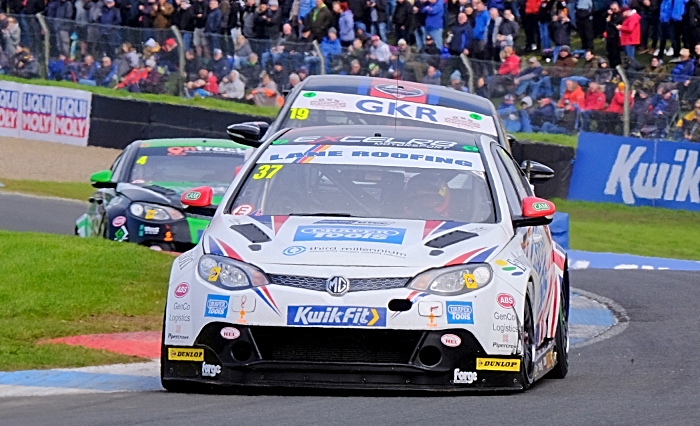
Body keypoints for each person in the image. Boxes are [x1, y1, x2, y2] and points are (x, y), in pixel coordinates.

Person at [605, 2, 623, 69]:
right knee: (609, 53)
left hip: (616, 36)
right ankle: (612, 66)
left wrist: (609, 21)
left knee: (615, 53)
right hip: (609, 36)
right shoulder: (611, 14)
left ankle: (617, 66)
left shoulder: (620, 15)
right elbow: (604, 19)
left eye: (614, 7)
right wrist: (609, 15)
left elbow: (615, 24)